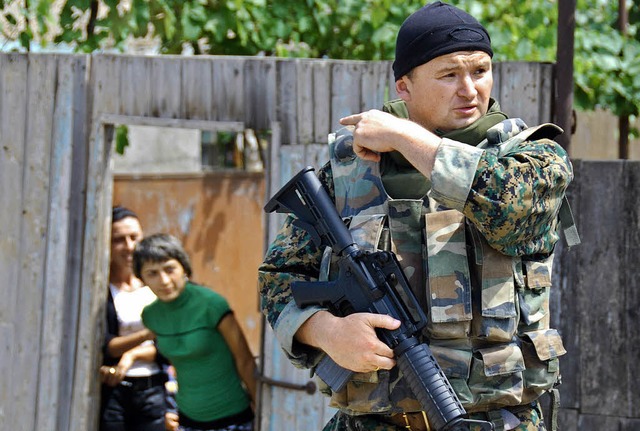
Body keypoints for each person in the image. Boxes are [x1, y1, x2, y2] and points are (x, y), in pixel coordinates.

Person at [258, 2, 578, 431]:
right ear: (404, 87)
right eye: (449, 75)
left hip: (498, 420)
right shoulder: (347, 170)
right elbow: (280, 278)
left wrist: (406, 136)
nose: (469, 89)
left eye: (480, 71)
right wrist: (327, 332)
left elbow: (508, 206)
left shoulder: (531, 156)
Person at [134, 233, 258, 431]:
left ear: (184, 268)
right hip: (187, 420)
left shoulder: (211, 304)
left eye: (169, 269)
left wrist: (261, 411)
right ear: (142, 279)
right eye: (152, 273)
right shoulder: (151, 316)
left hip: (233, 418)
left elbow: (245, 361)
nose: (164, 280)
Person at [100, 206, 179, 431]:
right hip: (114, 393)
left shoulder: (155, 286)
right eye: (119, 239)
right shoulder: (101, 289)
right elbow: (107, 347)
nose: (129, 247)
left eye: (134, 237)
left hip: (153, 392)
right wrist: (149, 333)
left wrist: (131, 355)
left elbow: (169, 344)